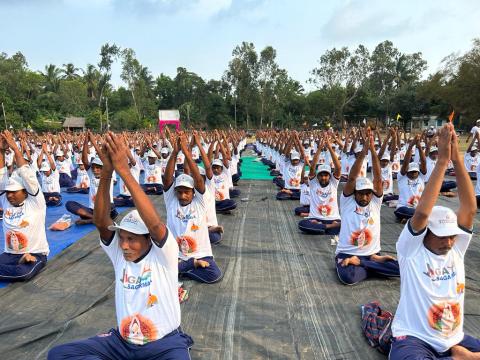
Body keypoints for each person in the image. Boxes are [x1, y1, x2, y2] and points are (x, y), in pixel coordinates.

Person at [48, 132, 193, 360]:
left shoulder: (164, 254)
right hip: (121, 343)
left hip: (163, 344)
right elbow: (102, 222)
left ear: (148, 240)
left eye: (131, 239)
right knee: (59, 354)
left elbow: (154, 223)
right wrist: (106, 172)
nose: (124, 245)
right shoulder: (119, 254)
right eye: (122, 238)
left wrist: (123, 171)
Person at [390, 124, 480, 360]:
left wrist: (457, 159)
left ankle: (455, 354)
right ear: (425, 233)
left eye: (451, 235)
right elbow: (420, 215)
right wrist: (442, 161)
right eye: (441, 235)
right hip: (415, 338)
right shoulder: (410, 251)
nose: (448, 242)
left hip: (454, 337)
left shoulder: (456, 250)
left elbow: (470, 209)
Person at [334, 128, 399, 285]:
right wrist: (364, 152)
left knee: (401, 268)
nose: (364, 197)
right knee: (348, 278)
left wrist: (373, 152)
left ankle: (365, 264)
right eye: (361, 193)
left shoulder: (376, 202)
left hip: (371, 254)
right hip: (347, 253)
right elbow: (351, 179)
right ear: (355, 193)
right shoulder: (347, 202)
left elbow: (378, 178)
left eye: (368, 193)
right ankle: (372, 266)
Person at [163, 132, 222, 284]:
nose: (182, 196)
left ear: (193, 192)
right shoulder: (171, 201)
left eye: (186, 192)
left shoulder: (199, 202)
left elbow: (199, 179)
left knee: (214, 274)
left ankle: (182, 270)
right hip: (176, 254)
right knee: (162, 264)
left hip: (200, 253)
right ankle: (188, 266)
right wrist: (175, 152)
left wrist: (187, 152)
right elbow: (167, 179)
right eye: (179, 192)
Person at [0, 130, 49, 282]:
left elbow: (27, 174)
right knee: (18, 270)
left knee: (23, 273)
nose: (9, 195)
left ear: (25, 191)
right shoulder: (6, 201)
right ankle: (15, 265)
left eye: (14, 192)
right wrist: (1, 150)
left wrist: (15, 148)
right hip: (9, 255)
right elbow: (1, 174)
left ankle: (19, 264)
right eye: (8, 192)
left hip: (35, 254)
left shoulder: (36, 202)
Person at [65, 132, 118, 225]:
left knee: (110, 208)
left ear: (103, 168)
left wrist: (94, 142)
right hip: (93, 210)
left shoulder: (108, 175)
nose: (95, 170)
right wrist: (86, 140)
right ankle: (94, 219)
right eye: (93, 168)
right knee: (69, 204)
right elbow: (84, 160)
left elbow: (105, 162)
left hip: (107, 209)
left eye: (98, 168)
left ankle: (95, 219)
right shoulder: (92, 175)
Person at [298, 134, 341, 235]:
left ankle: (321, 228)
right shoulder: (313, 184)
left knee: (347, 226)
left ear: (330, 176)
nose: (323, 177)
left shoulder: (333, 183)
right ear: (317, 176)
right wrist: (320, 148)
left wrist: (330, 147)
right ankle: (329, 227)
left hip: (333, 218)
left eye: (326, 175)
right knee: (302, 224)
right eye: (321, 175)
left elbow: (338, 168)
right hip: (315, 218)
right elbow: (312, 168)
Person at [394, 135, 427, 222]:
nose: (413, 173)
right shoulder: (402, 177)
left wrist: (419, 147)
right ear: (407, 172)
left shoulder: (421, 177)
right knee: (408, 212)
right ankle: (416, 218)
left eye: (415, 172)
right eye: (411, 172)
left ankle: (411, 219)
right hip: (403, 208)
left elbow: (423, 162)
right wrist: (411, 146)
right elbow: (405, 163)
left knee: (426, 212)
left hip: (418, 209)